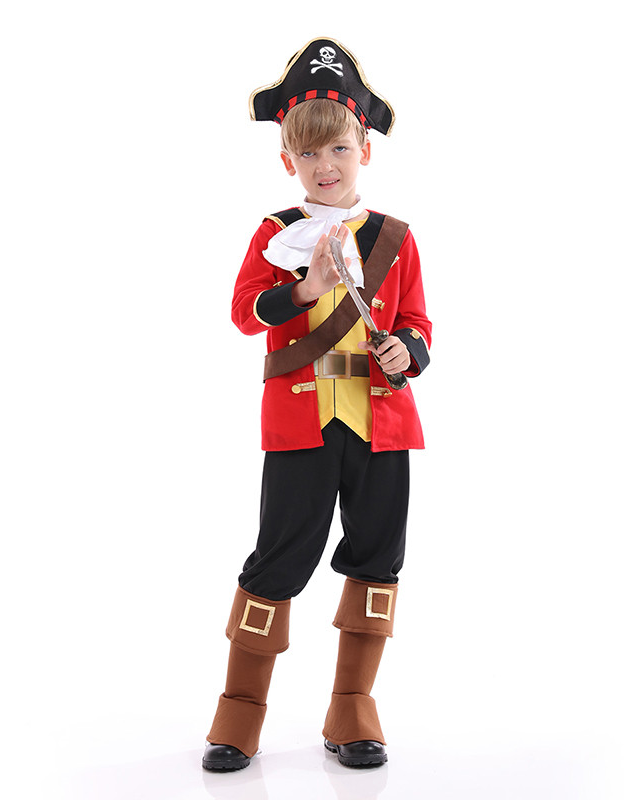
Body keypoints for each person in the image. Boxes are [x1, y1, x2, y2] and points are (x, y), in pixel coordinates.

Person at [202, 36, 432, 771]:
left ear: (365, 149)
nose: (324, 165)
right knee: (279, 557)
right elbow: (244, 313)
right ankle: (239, 711)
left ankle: (352, 706)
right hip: (300, 423)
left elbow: (417, 323)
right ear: (287, 162)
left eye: (337, 148)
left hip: (380, 424)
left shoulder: (397, 239)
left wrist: (406, 351)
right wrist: (304, 288)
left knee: (378, 559)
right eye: (308, 154)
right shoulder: (276, 235)